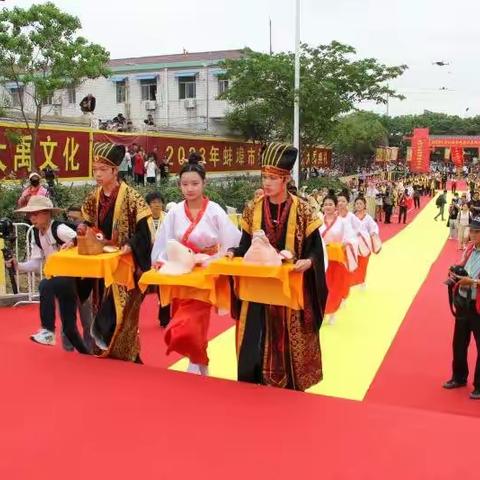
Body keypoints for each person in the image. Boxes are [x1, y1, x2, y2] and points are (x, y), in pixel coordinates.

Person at [227, 143, 328, 391]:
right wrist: (233, 252)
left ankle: (290, 386)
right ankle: (253, 382)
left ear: (286, 179)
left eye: (272, 178)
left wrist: (310, 261)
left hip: (288, 286)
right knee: (254, 334)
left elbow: (316, 248)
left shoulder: (303, 209)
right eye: (264, 177)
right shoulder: (253, 208)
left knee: (286, 335)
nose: (267, 183)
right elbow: (244, 245)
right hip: (258, 287)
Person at [151, 152, 241, 375]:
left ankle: (195, 362)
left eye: (194, 183)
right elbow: (165, 240)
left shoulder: (214, 210)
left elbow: (232, 240)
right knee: (187, 319)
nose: (189, 188)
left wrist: (227, 255)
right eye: (184, 184)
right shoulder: (174, 213)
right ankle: (201, 361)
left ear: (204, 183)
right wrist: (160, 260)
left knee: (193, 321)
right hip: (181, 270)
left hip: (206, 270)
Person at [68, 142, 153, 362]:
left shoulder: (132, 197)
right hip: (101, 263)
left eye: (102, 169)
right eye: (95, 169)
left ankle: (128, 356)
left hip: (123, 264)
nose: (97, 174)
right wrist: (75, 238)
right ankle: (104, 354)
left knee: (120, 312)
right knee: (99, 307)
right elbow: (85, 225)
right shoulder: (92, 197)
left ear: (115, 170)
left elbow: (146, 231)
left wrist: (131, 245)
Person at [8, 196, 89, 354]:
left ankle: (50, 331)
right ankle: (79, 353)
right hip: (61, 281)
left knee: (88, 321)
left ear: (47, 214)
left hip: (81, 278)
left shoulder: (59, 229)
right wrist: (18, 265)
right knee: (68, 327)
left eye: (35, 214)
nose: (32, 218)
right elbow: (35, 263)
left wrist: (73, 242)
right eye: (30, 215)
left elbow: (84, 238)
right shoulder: (36, 235)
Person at [443, 215, 480, 400]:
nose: (472, 234)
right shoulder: (471, 248)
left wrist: (472, 281)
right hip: (464, 302)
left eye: (476, 231)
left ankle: (479, 386)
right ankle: (458, 377)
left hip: (478, 306)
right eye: (471, 230)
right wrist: (454, 272)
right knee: (459, 343)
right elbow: (461, 265)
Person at [320, 192, 356, 325]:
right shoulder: (318, 221)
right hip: (321, 259)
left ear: (335, 207)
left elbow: (350, 237)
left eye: (330, 204)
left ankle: (332, 312)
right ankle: (323, 310)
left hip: (336, 259)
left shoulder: (342, 222)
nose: (328, 207)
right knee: (322, 287)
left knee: (333, 287)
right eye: (325, 204)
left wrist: (345, 244)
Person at [352, 196, 380, 290]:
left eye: (360, 204)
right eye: (357, 204)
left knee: (363, 265)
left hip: (365, 245)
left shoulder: (368, 218)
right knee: (354, 264)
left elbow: (373, 228)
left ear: (364, 205)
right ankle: (353, 281)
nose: (358, 205)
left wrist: (372, 234)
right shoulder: (351, 217)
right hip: (354, 245)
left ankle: (362, 281)